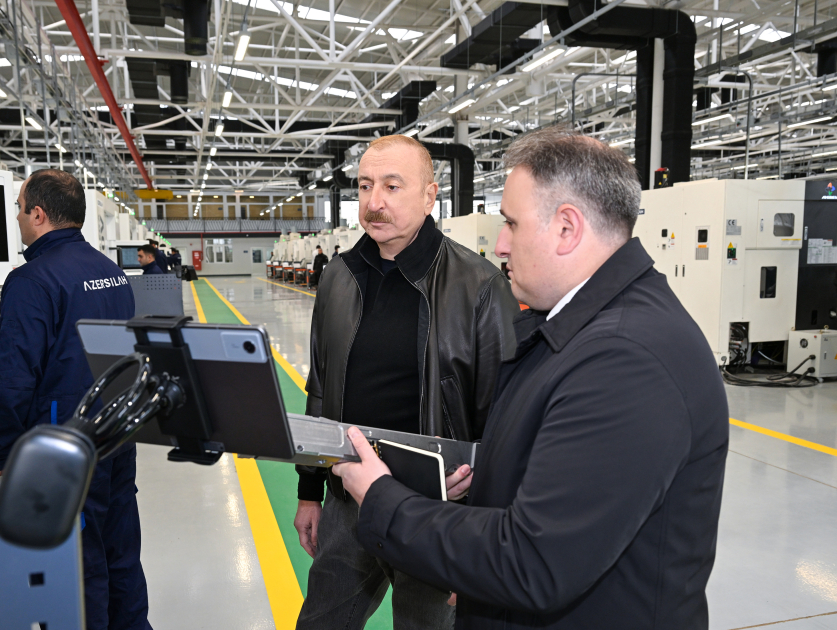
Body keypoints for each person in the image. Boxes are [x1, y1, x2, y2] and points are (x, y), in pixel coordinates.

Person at [332, 127, 730, 629]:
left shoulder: (626, 360)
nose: (500, 245)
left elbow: (533, 562)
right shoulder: (571, 329)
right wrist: (465, 542)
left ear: (567, 228)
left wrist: (383, 499)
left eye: (511, 224)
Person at [295, 134, 521, 630]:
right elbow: (321, 386)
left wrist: (485, 531)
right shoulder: (339, 277)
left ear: (429, 196)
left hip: (434, 509)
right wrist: (309, 490)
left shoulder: (480, 286)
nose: (374, 202)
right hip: (348, 494)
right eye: (365, 186)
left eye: (392, 186)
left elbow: (505, 417)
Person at [0, 169, 151, 630]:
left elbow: (13, 380)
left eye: (19, 208)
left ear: (38, 214)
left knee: (76, 565)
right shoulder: (110, 272)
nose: (18, 218)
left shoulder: (31, 280)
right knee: (121, 553)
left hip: (62, 448)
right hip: (116, 435)